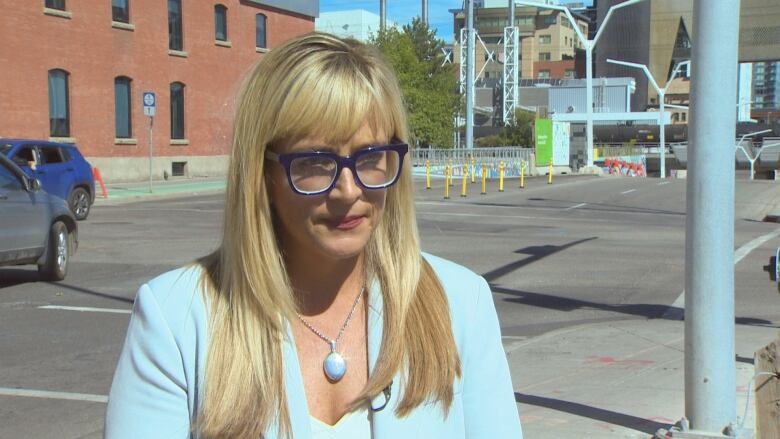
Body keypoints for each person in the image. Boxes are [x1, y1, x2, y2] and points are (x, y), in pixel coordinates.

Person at [105, 32, 522, 439]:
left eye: (371, 157)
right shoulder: (176, 320)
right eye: (316, 162)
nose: (349, 190)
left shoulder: (461, 304)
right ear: (264, 173)